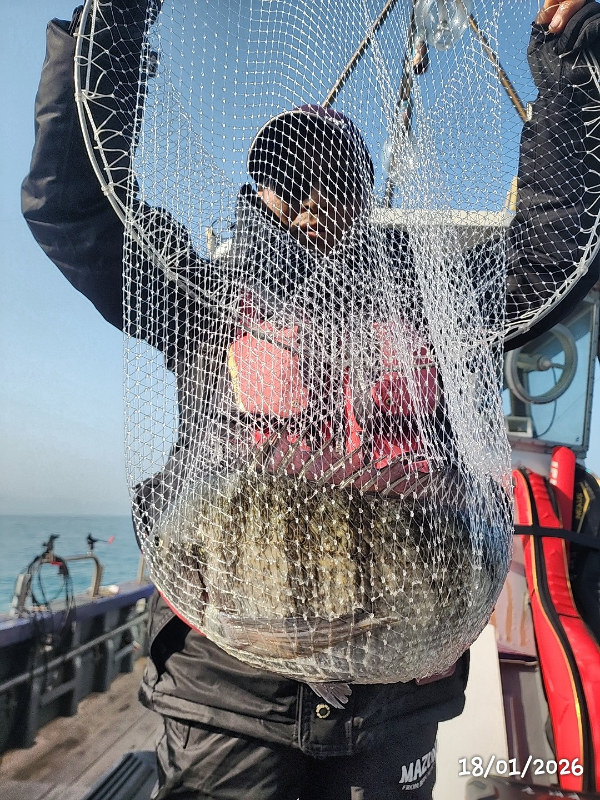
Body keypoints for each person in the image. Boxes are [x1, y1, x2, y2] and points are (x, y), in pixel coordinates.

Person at [21, 1, 600, 798]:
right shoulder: (203, 297)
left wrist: (571, 69)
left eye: (334, 178)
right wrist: (108, 29)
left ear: (364, 199)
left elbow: (551, 254)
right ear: (256, 192)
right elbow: (71, 208)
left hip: (399, 695)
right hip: (227, 695)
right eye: (287, 179)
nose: (310, 198)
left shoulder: (434, 306)